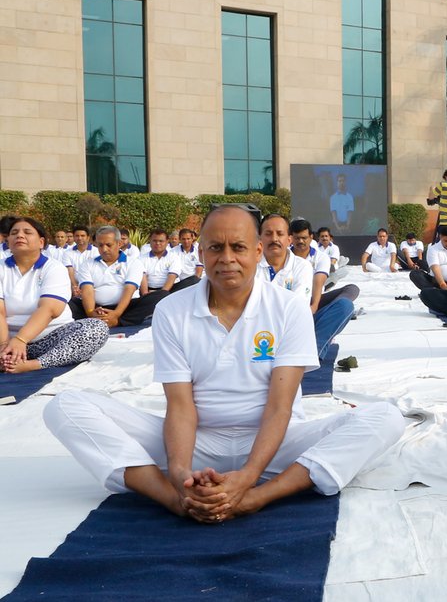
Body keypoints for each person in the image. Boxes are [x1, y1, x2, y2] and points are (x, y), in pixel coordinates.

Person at [44, 205, 409, 522]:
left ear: (257, 251)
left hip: (275, 443)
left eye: (238, 247)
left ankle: (258, 498)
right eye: (216, 248)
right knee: (65, 406)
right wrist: (183, 476)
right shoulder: (172, 309)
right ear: (201, 252)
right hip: (198, 440)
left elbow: (280, 409)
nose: (227, 258)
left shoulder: (288, 307)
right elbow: (181, 407)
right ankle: (175, 500)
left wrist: (248, 480)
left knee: (386, 418)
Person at [1, 217, 109, 374]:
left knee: (96, 329)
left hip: (50, 339)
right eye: (14, 233)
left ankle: (34, 364)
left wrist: (21, 340)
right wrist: (4, 345)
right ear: (8, 241)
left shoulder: (53, 267)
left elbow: (50, 309)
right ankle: (7, 358)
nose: (20, 236)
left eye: (27, 232)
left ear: (41, 242)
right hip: (7, 339)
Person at [283, 218, 357, 360]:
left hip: (313, 298)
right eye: (297, 238)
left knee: (348, 298)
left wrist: (314, 306)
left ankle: (315, 352)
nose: (300, 242)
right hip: (290, 305)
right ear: (290, 238)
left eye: (304, 238)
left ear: (311, 237)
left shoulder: (320, 257)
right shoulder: (284, 256)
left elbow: (318, 283)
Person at [69, 226, 168, 327]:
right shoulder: (87, 264)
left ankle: (117, 321)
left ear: (119, 243)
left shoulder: (133, 263)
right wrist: (90, 313)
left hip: (126, 308)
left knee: (161, 296)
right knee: (70, 303)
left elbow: (129, 289)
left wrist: (116, 314)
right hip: (96, 307)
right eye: (100, 245)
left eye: (108, 245)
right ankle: (95, 320)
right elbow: (87, 290)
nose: (104, 249)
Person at [410, 227, 447, 291]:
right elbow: (435, 268)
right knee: (415, 274)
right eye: (446, 241)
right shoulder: (433, 249)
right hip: (438, 282)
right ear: (440, 237)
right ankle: (436, 291)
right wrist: (443, 285)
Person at [139, 229, 182, 295]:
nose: (157, 243)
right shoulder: (141, 258)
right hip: (148, 291)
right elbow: (142, 277)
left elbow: (172, 277)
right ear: (150, 241)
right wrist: (145, 295)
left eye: (161, 241)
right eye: (154, 241)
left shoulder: (174, 257)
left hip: (170, 291)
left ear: (167, 242)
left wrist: (161, 294)